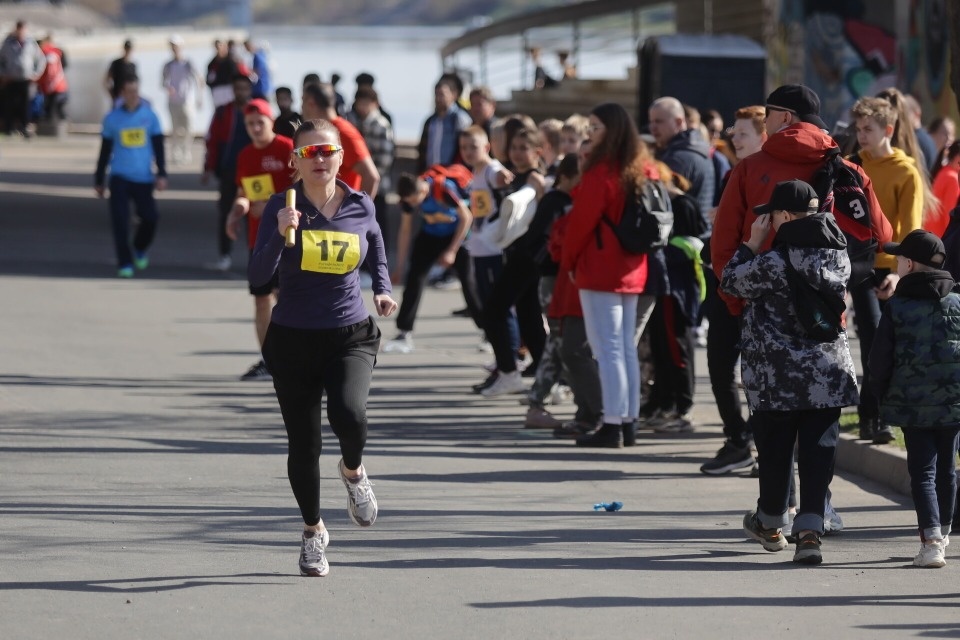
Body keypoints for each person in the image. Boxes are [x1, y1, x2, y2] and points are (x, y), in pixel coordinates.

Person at [707, 84, 891, 475]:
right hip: (824, 312)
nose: (766, 123)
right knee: (818, 430)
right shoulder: (846, 167)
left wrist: (737, 301)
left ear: (785, 117)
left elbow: (722, 246)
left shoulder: (749, 168)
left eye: (769, 115)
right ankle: (816, 505)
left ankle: (780, 503)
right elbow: (882, 234)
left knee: (773, 429)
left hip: (762, 314)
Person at [247, 118, 397, 577]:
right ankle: (313, 531)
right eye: (308, 152)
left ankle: (353, 472)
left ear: (340, 157)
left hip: (349, 333)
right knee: (304, 445)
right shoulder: (282, 205)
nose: (319, 159)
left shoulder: (360, 203)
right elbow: (258, 277)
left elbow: (376, 245)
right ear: (295, 161)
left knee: (350, 414)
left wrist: (383, 288)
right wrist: (278, 234)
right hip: (293, 339)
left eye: (327, 151)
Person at [724, 179, 859, 565]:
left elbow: (730, 281)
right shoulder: (839, 256)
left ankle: (770, 523)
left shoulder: (773, 263)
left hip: (777, 378)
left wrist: (751, 243)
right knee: (819, 454)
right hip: (827, 375)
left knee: (775, 452)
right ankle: (810, 532)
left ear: (783, 215)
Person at [560, 103, 653, 448]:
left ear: (610, 131)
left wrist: (569, 263)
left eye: (595, 127)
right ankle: (627, 421)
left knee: (607, 347)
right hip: (632, 264)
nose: (590, 133)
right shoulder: (640, 167)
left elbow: (580, 224)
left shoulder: (602, 173)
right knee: (624, 346)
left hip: (601, 266)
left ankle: (612, 423)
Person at [869, 229, 960, 568]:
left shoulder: (898, 306)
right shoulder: (957, 302)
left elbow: (880, 359)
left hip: (912, 404)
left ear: (909, 264)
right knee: (947, 469)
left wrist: (879, 393)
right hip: (953, 403)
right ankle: (943, 532)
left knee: (922, 472)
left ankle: (931, 540)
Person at [851, 95, 926, 444]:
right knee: (871, 338)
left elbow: (910, 228)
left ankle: (880, 415)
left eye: (868, 129)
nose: (861, 135)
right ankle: (871, 415)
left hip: (892, 267)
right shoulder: (853, 166)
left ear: (888, 130)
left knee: (889, 343)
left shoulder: (905, 171)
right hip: (860, 266)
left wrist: (899, 272)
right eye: (858, 128)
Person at [225, 98, 294, 382]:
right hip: (259, 239)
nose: (255, 128)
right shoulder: (245, 155)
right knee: (261, 300)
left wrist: (270, 207)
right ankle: (269, 360)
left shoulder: (288, 149)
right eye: (250, 124)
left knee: (287, 299)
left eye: (260, 122)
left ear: (271, 121)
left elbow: (305, 192)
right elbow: (244, 193)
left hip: (289, 238)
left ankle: (297, 359)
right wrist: (236, 211)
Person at [478, 127, 547, 397]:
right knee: (529, 316)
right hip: (516, 253)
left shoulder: (535, 178)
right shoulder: (513, 176)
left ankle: (509, 372)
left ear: (537, 152)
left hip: (528, 256)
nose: (516, 153)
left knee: (494, 309)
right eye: (514, 148)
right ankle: (548, 377)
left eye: (523, 148)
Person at [384, 166, 480, 354]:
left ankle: (487, 331)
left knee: (469, 283)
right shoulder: (408, 199)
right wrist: (400, 266)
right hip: (430, 235)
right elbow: (405, 230)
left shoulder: (443, 189)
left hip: (456, 236)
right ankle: (404, 331)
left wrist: (452, 251)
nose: (413, 205)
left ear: (422, 191)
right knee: (414, 280)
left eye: (414, 201)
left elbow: (466, 218)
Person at [93, 75, 167, 278]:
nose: (133, 96)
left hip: (143, 178)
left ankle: (139, 247)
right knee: (120, 221)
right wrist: (99, 180)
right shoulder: (112, 119)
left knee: (150, 218)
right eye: (129, 92)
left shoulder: (150, 116)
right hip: (120, 177)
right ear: (122, 94)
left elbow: (159, 147)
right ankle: (124, 262)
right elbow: (104, 151)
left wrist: (162, 173)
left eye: (136, 91)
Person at [203, 73, 253, 271]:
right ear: (233, 90)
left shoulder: (257, 111)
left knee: (254, 215)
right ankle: (224, 256)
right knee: (226, 213)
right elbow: (213, 141)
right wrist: (208, 167)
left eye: (244, 88)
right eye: (237, 88)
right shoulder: (223, 112)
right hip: (229, 171)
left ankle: (255, 258)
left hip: (254, 174)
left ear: (250, 90)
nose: (241, 92)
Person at [648, 96, 716, 232]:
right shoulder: (697, 148)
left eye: (659, 121)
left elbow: (660, 206)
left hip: (682, 239)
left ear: (679, 122)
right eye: (651, 121)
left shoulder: (678, 158)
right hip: (697, 237)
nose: (652, 127)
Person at [301, 82, 379, 198]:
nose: (301, 108)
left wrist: (360, 208)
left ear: (311, 103)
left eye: (302, 101)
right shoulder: (326, 130)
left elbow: (371, 176)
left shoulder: (342, 132)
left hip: (342, 207)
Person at [345, 86, 394, 260]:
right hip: (356, 185)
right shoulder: (351, 121)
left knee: (376, 225)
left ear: (375, 104)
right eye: (360, 103)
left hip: (377, 187)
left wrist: (368, 174)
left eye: (366, 103)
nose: (363, 107)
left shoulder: (381, 125)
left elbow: (385, 160)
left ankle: (379, 261)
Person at [415, 75, 472, 173]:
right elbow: (422, 149)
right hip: (430, 173)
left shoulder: (460, 119)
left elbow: (465, 148)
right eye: (436, 94)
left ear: (454, 95)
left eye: (442, 95)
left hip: (452, 173)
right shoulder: (431, 121)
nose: (438, 99)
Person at [162, 34, 202, 165]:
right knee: (175, 129)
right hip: (173, 102)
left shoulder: (188, 63)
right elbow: (163, 81)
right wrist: (168, 87)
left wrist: (199, 97)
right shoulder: (168, 65)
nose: (174, 48)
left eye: (176, 46)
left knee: (189, 128)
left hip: (187, 101)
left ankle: (186, 150)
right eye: (172, 46)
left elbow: (199, 79)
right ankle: (176, 152)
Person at [0, 20, 45, 137]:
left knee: (25, 104)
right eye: (19, 29)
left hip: (26, 79)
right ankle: (9, 128)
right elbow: (1, 60)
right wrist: (3, 74)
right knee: (10, 104)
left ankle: (24, 127)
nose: (21, 32)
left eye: (23, 29)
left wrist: (36, 74)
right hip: (11, 79)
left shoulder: (31, 43)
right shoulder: (8, 42)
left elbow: (40, 59)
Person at [928, 141, 960, 238]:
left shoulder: (944, 171)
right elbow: (950, 215)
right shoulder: (953, 178)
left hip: (931, 233)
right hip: (940, 236)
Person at [37, 33, 67, 127]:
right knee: (57, 107)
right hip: (60, 84)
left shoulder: (45, 53)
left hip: (50, 85)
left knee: (51, 107)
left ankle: (52, 127)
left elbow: (47, 72)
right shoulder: (58, 51)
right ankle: (59, 125)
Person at [104, 38, 135, 104]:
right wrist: (112, 95)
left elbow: (135, 83)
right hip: (118, 97)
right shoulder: (116, 63)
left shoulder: (132, 65)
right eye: (127, 48)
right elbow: (106, 81)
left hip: (129, 100)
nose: (128, 51)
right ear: (124, 48)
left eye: (129, 49)